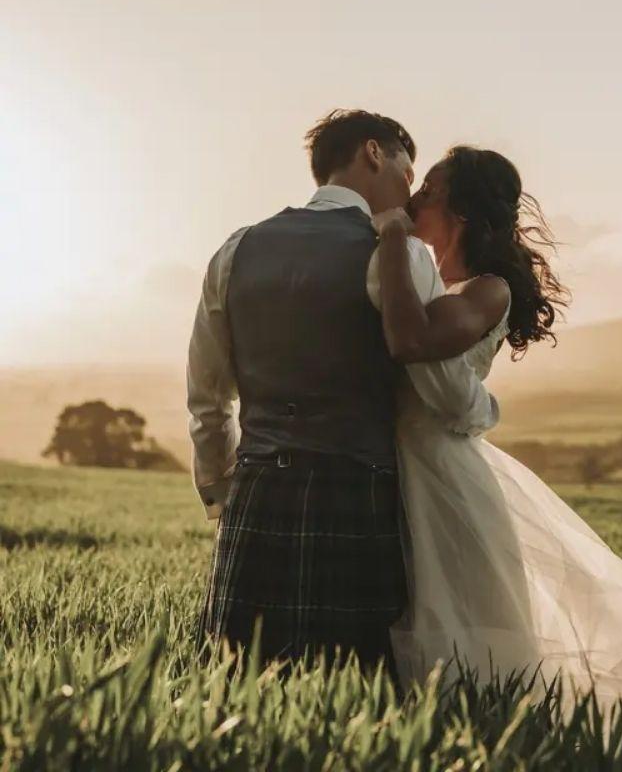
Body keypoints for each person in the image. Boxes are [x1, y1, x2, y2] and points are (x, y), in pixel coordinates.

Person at [375, 146, 622, 707]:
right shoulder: (439, 287)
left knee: (456, 621)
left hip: (440, 476)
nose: (415, 196)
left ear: (460, 209)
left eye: (431, 190)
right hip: (406, 461)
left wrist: (392, 239)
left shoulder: (486, 289)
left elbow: (425, 360)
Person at [187, 110, 497, 676]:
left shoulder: (237, 249)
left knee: (239, 684)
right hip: (359, 491)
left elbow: (208, 400)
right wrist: (485, 409)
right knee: (357, 691)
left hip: (258, 488)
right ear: (374, 154)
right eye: (409, 170)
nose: (412, 189)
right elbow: (445, 395)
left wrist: (222, 490)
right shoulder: (397, 255)